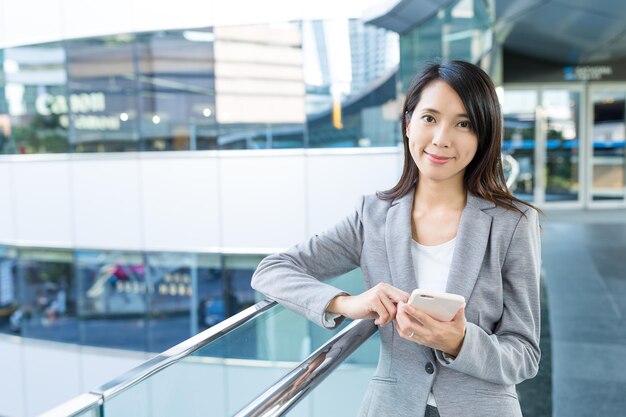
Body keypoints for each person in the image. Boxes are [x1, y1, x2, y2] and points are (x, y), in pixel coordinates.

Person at [251, 60, 541, 417]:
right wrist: (347, 303)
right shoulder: (372, 216)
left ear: (482, 136)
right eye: (429, 118)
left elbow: (525, 355)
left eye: (463, 124)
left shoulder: (512, 224)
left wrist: (460, 342)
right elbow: (271, 270)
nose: (441, 139)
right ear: (407, 125)